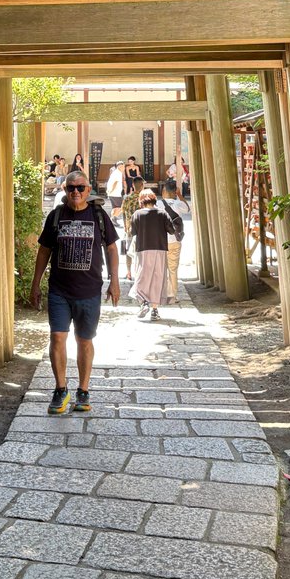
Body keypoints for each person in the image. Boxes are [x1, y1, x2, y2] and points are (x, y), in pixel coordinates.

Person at [29, 169, 120, 415]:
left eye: (80, 188)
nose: (76, 192)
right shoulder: (56, 215)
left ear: (88, 190)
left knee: (84, 340)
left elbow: (111, 249)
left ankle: (83, 389)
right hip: (59, 289)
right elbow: (44, 251)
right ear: (65, 190)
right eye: (71, 188)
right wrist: (36, 283)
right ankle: (60, 389)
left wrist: (114, 281)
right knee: (57, 337)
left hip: (89, 289)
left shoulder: (99, 215)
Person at [128, 187, 175, 321]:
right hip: (160, 248)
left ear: (142, 201)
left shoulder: (137, 214)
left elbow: (133, 232)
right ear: (155, 200)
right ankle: (155, 309)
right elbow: (171, 230)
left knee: (142, 275)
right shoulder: (162, 213)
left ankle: (143, 302)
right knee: (158, 277)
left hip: (143, 248)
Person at [158, 178, 189, 301]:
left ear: (164, 190)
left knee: (161, 268)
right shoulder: (179, 204)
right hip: (175, 241)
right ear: (175, 192)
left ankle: (161, 293)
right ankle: (172, 296)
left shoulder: (158, 204)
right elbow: (187, 208)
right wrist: (180, 195)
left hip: (161, 241)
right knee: (173, 268)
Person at [120, 178, 142, 281]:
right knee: (140, 250)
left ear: (133, 185)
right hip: (142, 229)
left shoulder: (127, 198)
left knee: (128, 251)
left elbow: (123, 213)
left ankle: (128, 272)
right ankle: (139, 272)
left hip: (129, 228)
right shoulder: (144, 197)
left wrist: (125, 225)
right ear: (142, 185)